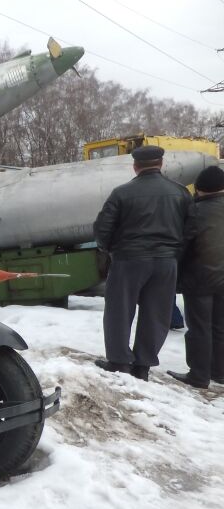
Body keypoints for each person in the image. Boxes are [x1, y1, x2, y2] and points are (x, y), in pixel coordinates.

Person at [92, 145, 191, 380]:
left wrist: (109, 249)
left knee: (119, 310)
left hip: (129, 259)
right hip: (166, 261)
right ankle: (143, 366)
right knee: (157, 313)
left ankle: (119, 362)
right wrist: (175, 252)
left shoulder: (121, 193)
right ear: (161, 164)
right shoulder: (180, 193)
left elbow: (102, 229)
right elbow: (191, 228)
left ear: (135, 166)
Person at [167, 165, 224, 389]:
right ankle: (219, 372)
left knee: (199, 327)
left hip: (199, 279)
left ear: (200, 189)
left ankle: (199, 375)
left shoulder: (196, 211)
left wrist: (174, 270)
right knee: (220, 327)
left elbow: (183, 245)